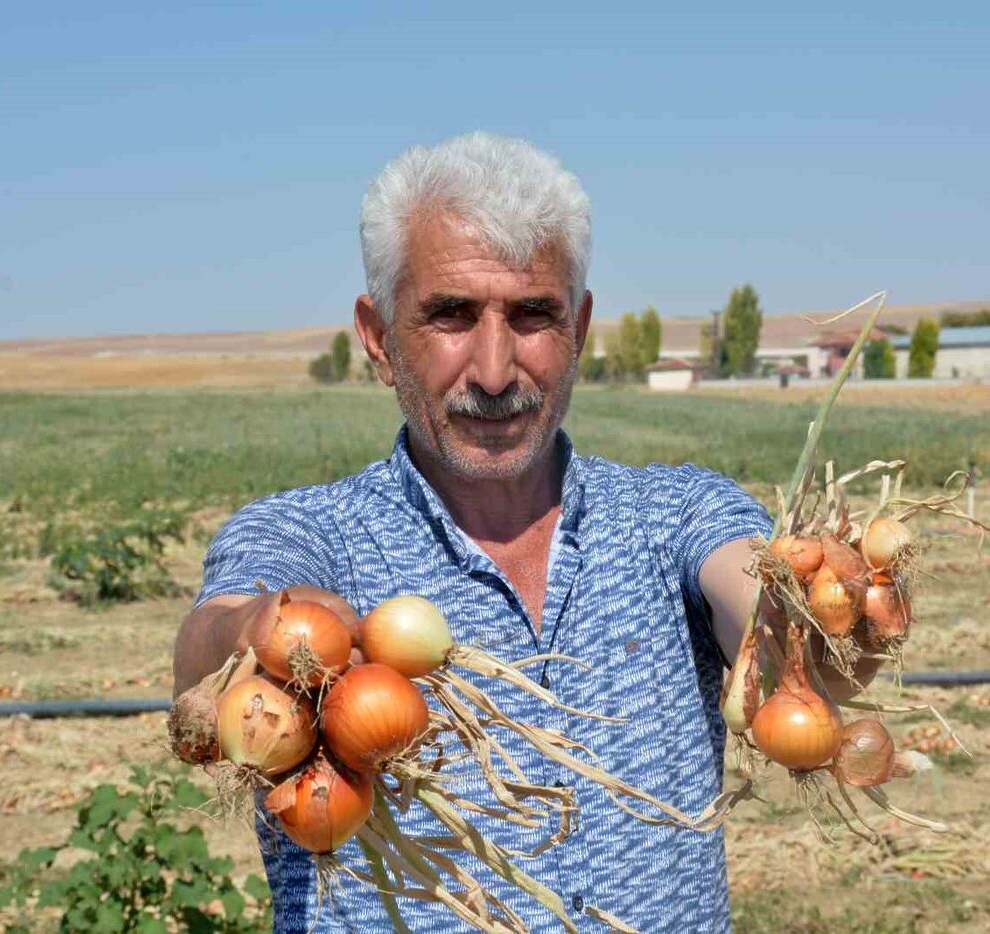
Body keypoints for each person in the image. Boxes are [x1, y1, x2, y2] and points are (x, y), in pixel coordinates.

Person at [172, 132, 872, 933]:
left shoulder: (673, 515)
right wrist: (267, 632)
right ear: (379, 338)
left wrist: (808, 610)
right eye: (452, 317)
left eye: (532, 315)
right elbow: (210, 644)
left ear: (577, 327)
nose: (497, 371)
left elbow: (748, 584)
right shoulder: (308, 535)